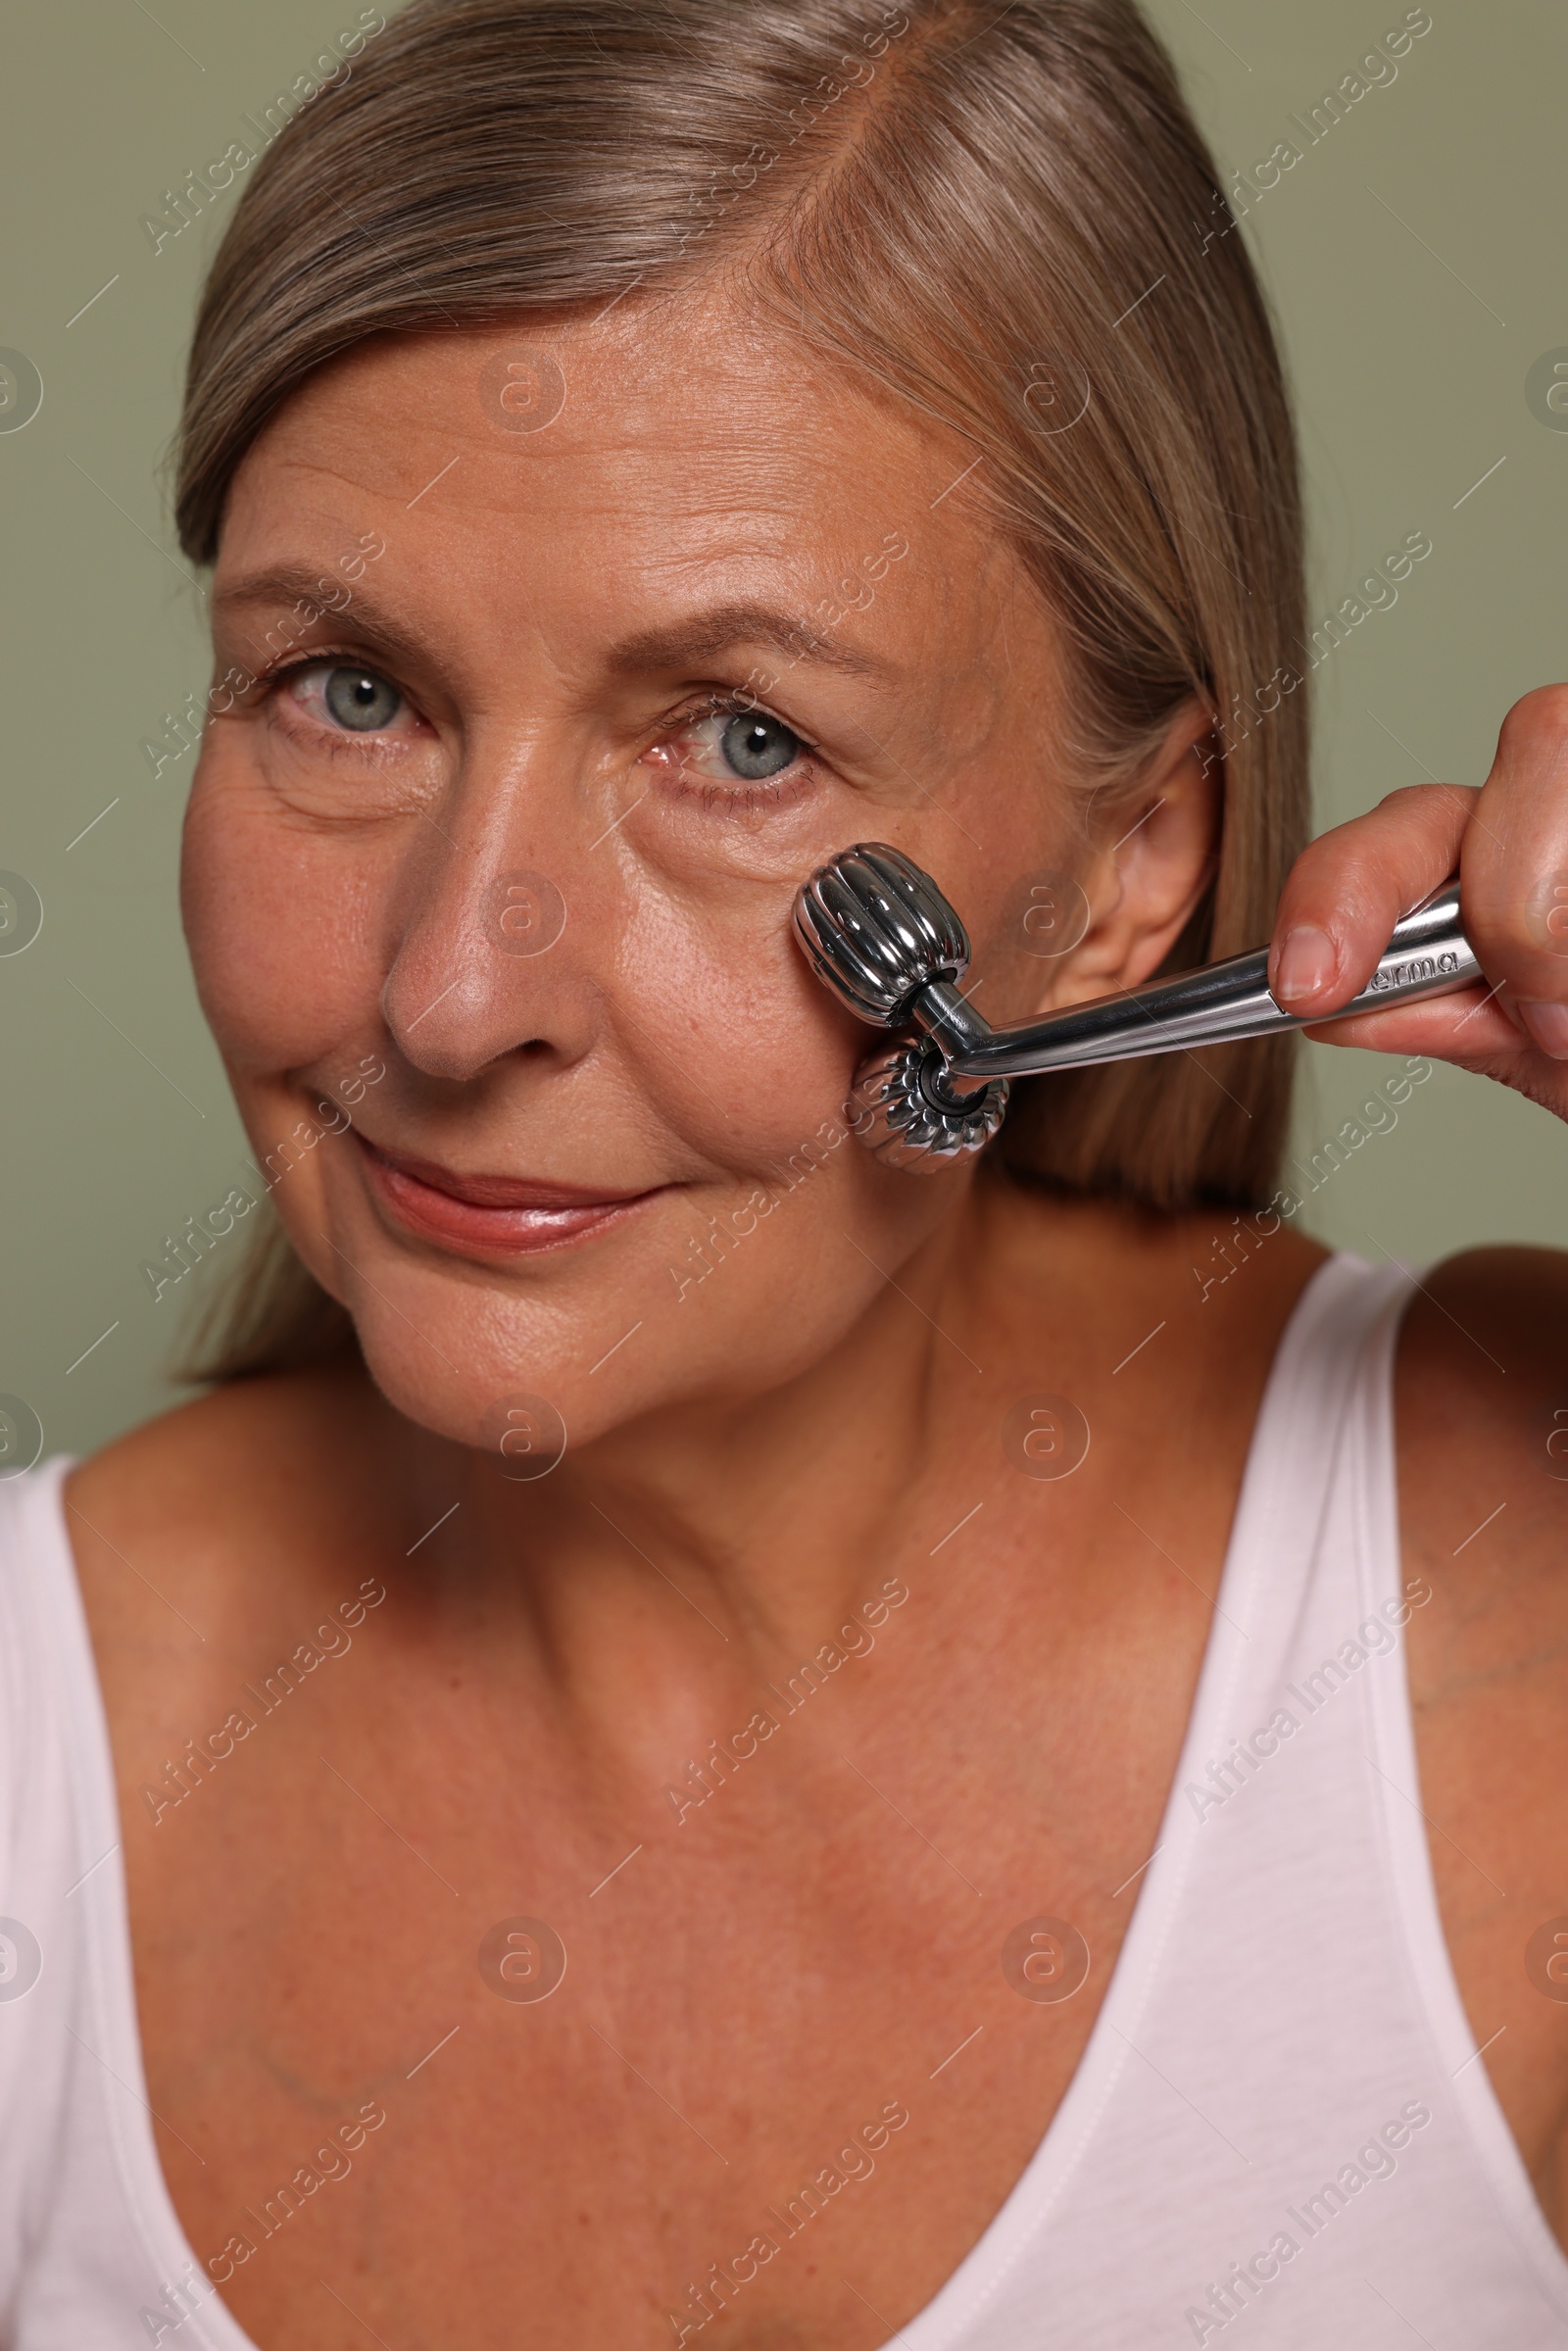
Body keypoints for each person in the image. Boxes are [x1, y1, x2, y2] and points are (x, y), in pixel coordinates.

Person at [3, 1, 1566, 2344]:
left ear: (1136, 870)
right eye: (347, 688)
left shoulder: (1505, 1589)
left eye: (741, 743)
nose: (451, 996)